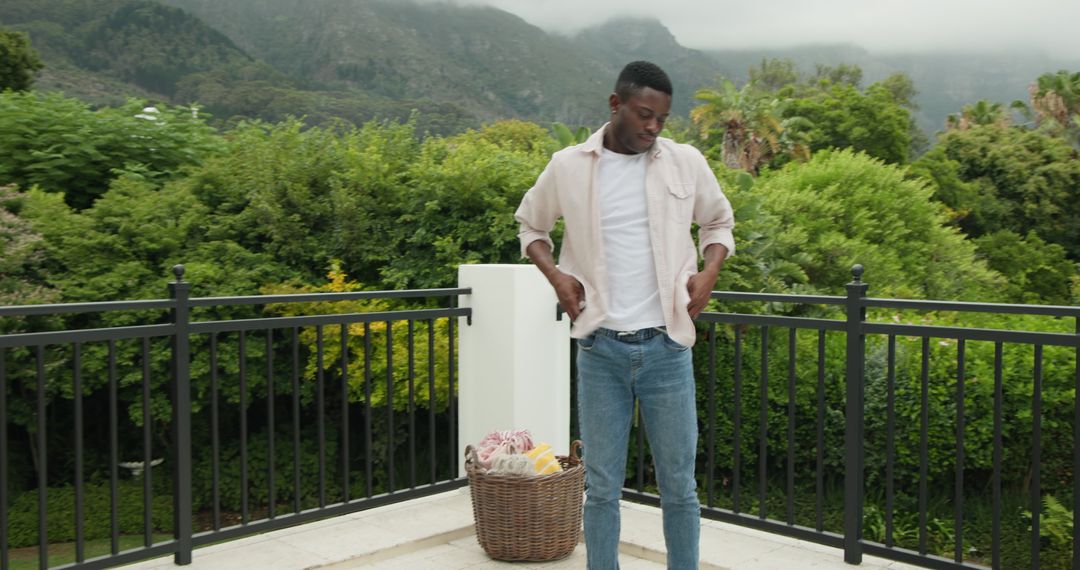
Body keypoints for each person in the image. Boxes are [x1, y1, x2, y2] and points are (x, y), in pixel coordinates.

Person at [514, 61, 735, 569]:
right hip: (601, 351)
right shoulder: (568, 166)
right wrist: (557, 278)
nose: (654, 127)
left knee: (679, 487)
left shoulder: (685, 162)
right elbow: (531, 227)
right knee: (602, 487)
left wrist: (709, 272)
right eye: (644, 114)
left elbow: (719, 222)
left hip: (667, 349)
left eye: (661, 118)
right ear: (616, 105)